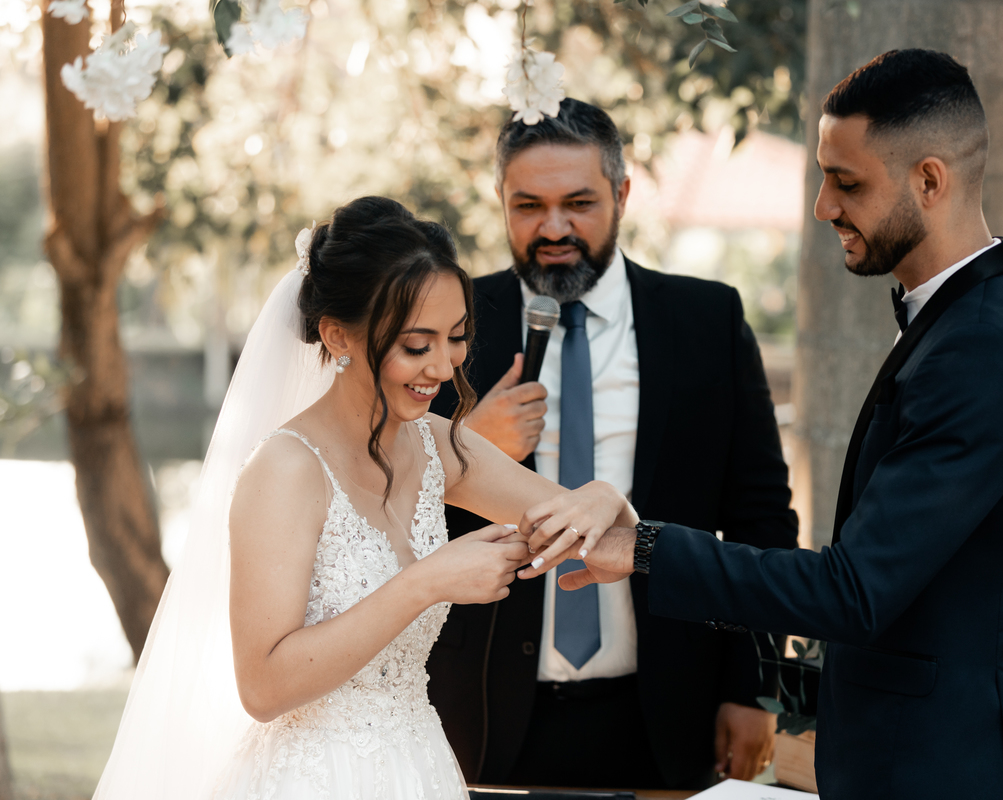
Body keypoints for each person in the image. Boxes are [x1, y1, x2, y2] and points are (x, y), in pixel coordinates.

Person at [521, 50, 1003, 799]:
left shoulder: (985, 344)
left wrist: (644, 547)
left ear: (930, 181)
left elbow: (854, 591)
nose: (824, 207)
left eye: (847, 182)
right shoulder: (998, 306)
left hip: (965, 767)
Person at [93, 196, 636, 800]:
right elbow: (263, 688)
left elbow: (595, 534)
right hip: (310, 780)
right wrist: (429, 580)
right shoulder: (286, 470)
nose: (443, 367)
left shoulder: (437, 445)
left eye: (456, 338)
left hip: (419, 768)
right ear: (337, 335)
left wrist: (606, 498)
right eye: (417, 345)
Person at [425, 98, 797, 789]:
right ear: (501, 200)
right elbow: (383, 512)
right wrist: (466, 449)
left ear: (622, 195)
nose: (553, 228)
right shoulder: (448, 324)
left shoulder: (707, 320)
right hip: (478, 710)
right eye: (528, 205)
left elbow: (762, 519)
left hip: (670, 707)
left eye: (579, 203)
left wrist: (755, 688)